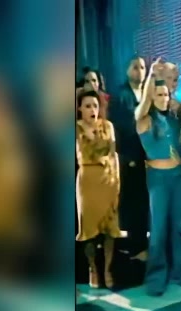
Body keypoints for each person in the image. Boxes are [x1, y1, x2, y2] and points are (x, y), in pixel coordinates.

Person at [135, 58, 181, 296]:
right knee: (158, 229)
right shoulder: (145, 120)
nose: (164, 98)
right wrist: (151, 75)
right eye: (159, 95)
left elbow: (178, 143)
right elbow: (144, 103)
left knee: (179, 226)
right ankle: (156, 278)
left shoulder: (172, 118)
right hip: (158, 178)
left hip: (178, 176)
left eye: (166, 94)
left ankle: (179, 272)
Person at [76, 91, 120, 289]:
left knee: (110, 228)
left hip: (108, 179)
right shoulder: (75, 128)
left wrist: (116, 182)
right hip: (87, 180)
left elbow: (113, 154)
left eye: (95, 105)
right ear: (79, 108)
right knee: (88, 229)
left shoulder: (107, 126)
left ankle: (108, 269)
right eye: (87, 106)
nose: (92, 109)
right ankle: (92, 268)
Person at [112, 55, 150, 262]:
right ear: (127, 70)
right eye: (135, 67)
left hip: (149, 157)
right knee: (134, 204)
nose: (139, 71)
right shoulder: (120, 95)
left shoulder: (148, 93)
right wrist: (126, 156)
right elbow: (118, 128)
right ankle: (136, 248)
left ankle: (143, 246)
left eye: (142, 67)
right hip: (130, 158)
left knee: (145, 205)